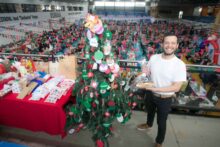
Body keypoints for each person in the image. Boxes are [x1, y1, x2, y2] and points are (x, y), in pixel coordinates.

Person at [137, 33, 187, 147]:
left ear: (177, 45)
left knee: (161, 122)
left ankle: (159, 142)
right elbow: (148, 71)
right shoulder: (154, 58)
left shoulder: (179, 65)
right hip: (150, 94)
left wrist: (155, 88)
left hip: (165, 98)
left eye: (173, 43)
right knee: (149, 112)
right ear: (162, 44)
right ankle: (148, 125)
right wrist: (144, 69)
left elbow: (176, 87)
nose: (169, 45)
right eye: (167, 42)